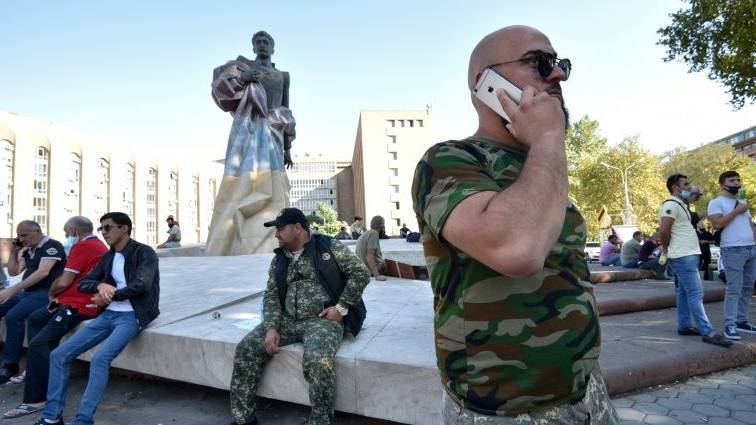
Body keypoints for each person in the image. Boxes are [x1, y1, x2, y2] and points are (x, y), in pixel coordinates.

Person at [411, 26, 618, 424]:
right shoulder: (449, 160)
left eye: (560, 64)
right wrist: (546, 138)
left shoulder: (543, 161)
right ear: (483, 83)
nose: (557, 75)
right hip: (504, 412)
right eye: (539, 62)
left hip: (586, 393)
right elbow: (517, 249)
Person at [229, 208, 369, 425]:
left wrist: (341, 308)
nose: (276, 234)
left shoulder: (327, 247)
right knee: (245, 349)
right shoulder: (279, 260)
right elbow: (272, 296)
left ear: (298, 228)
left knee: (318, 361)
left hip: (322, 320)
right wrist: (272, 328)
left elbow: (360, 273)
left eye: (281, 228)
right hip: (286, 320)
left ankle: (320, 421)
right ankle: (243, 419)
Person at [35, 212, 160, 425]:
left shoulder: (144, 252)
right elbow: (85, 283)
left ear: (124, 229)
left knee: (100, 359)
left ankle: (84, 419)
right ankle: (51, 417)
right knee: (59, 355)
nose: (103, 233)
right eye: (101, 228)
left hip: (133, 315)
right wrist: (101, 285)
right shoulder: (109, 256)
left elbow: (142, 284)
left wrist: (110, 295)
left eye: (108, 228)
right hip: (109, 314)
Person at [3, 217, 107, 420]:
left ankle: (35, 399)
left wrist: (53, 294)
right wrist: (15, 250)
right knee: (35, 319)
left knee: (39, 342)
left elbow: (63, 280)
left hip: (79, 305)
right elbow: (15, 270)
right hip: (65, 301)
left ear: (73, 231)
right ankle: (35, 370)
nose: (66, 236)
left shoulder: (80, 247)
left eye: (67, 232)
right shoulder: (88, 246)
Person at [206, 31, 297, 255]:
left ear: (273, 48)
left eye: (267, 42)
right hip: (249, 128)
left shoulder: (283, 75)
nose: (263, 45)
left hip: (274, 132)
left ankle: (271, 229)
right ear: (253, 47)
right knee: (244, 177)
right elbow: (221, 89)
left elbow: (285, 110)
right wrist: (242, 79)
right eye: (259, 42)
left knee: (273, 183)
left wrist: (288, 148)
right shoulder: (244, 69)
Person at [659, 174, 730, 347]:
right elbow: (664, 230)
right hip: (683, 255)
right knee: (696, 294)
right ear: (676, 188)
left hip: (686, 254)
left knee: (683, 293)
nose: (690, 186)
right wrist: (666, 248)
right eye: (686, 184)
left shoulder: (681, 204)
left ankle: (684, 326)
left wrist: (695, 195)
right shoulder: (670, 205)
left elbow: (693, 213)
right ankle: (707, 331)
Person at [0, 221, 66, 383]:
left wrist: (13, 290)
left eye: (25, 235)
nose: (22, 239)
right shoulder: (29, 250)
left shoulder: (52, 246)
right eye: (19, 236)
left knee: (14, 316)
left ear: (37, 231)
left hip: (46, 293)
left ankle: (10, 364)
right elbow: (14, 270)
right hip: (27, 293)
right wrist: (14, 252)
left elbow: (43, 272)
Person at [707, 170, 756, 340]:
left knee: (748, 286)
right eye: (732, 180)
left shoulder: (742, 202)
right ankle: (730, 325)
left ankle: (742, 321)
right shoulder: (716, 202)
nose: (736, 183)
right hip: (733, 249)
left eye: (738, 180)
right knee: (734, 288)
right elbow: (718, 223)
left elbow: (750, 225)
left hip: (751, 248)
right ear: (722, 184)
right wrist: (737, 211)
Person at [355, 216, 387, 281]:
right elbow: (369, 256)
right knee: (388, 264)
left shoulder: (365, 234)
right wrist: (377, 276)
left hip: (363, 270)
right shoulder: (374, 233)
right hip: (371, 271)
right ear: (382, 225)